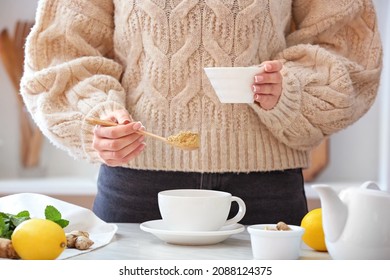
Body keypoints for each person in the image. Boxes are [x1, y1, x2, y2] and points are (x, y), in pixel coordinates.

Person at [20, 0, 383, 226]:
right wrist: (97, 115)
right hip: (137, 186)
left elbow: (347, 44)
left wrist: (291, 90)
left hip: (265, 190)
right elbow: (63, 49)